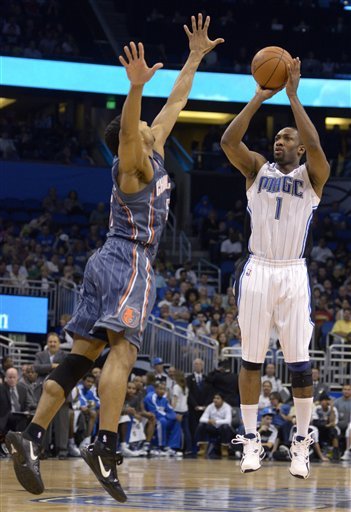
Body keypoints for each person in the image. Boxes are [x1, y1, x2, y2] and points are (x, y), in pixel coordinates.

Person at [5, 14, 224, 503]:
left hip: (104, 261)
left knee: (79, 360)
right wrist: (133, 90)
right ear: (134, 136)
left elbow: (178, 100)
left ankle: (32, 435)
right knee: (123, 352)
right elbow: (130, 129)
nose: (150, 124)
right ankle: (104, 444)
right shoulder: (132, 165)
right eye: (143, 125)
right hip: (129, 260)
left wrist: (193, 56)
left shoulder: (157, 148)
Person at [222, 57, 330, 479]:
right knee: (250, 362)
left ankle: (301, 441)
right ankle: (251, 441)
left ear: (300, 147)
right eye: (278, 138)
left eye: (287, 138)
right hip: (258, 270)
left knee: (299, 364)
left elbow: (318, 147)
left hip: (292, 272)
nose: (279, 142)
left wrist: (293, 96)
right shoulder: (256, 170)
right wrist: (258, 96)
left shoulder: (313, 175)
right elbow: (230, 142)